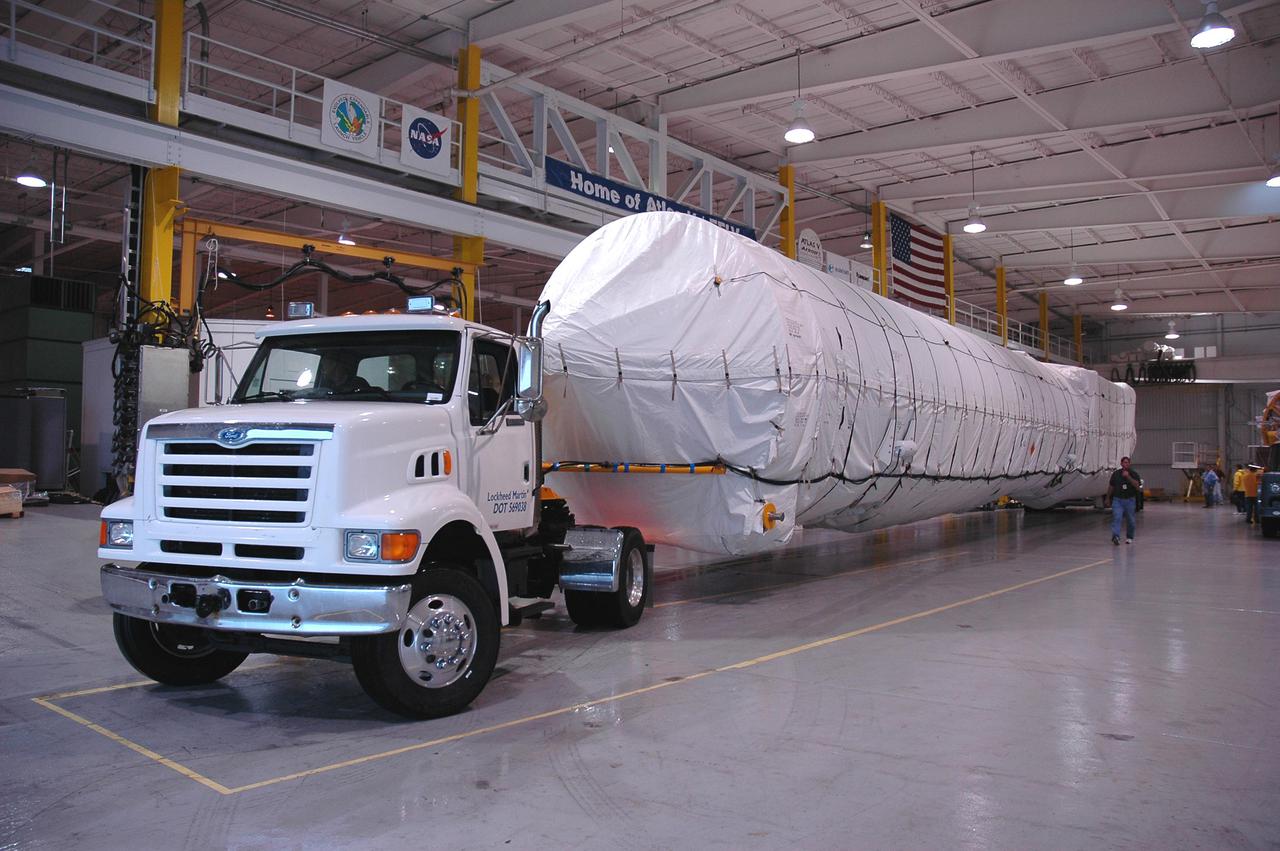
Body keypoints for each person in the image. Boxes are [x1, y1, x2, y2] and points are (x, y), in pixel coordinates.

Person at [1106, 456, 1143, 545]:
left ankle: (1129, 536)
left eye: (1127, 462)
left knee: (1130, 520)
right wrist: (1107, 498)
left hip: (1129, 500)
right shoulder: (1116, 474)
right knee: (1117, 517)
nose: (1126, 464)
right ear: (1121, 464)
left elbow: (1137, 487)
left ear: (1129, 464)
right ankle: (1116, 536)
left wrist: (1128, 477)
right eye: (1124, 462)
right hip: (1118, 500)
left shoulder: (1134, 474)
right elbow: (1111, 486)